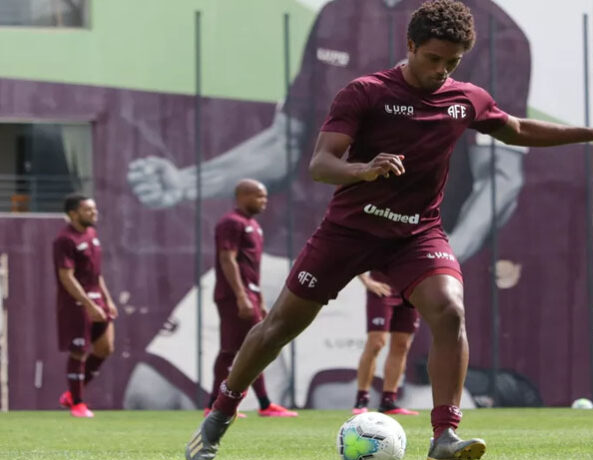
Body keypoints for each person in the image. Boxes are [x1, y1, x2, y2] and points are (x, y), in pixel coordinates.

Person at [185, 0, 593, 460]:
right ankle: (219, 415)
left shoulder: (465, 98)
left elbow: (516, 128)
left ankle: (445, 434)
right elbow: (320, 164)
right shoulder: (364, 92)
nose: (441, 70)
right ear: (410, 45)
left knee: (449, 311)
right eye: (433, 58)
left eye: (452, 62)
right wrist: (365, 169)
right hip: (350, 230)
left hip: (417, 233)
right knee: (280, 326)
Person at [126, 0, 530, 264]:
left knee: (344, 386)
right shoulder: (338, 13)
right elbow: (286, 143)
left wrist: (441, 260)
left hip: (393, 253)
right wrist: (183, 182)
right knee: (152, 389)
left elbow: (501, 182)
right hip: (305, 243)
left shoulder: (496, 35)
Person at [207, 179, 298, 418]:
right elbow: (228, 259)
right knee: (232, 350)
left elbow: (251, 269)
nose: (264, 201)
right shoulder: (231, 223)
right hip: (234, 297)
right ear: (243, 196)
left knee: (254, 348)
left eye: (266, 197)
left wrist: (259, 300)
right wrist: (240, 296)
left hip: (250, 296)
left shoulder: (253, 225)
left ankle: (264, 404)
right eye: (259, 196)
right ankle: (214, 405)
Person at [54, 195, 118, 418]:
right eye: (88, 210)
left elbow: (96, 273)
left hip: (97, 298)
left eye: (94, 209)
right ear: (73, 213)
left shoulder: (92, 234)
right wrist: (88, 304)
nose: (94, 213)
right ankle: (77, 404)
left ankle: (72, 394)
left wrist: (107, 299)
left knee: (105, 347)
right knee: (79, 352)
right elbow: (66, 277)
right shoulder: (64, 239)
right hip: (76, 303)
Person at [353, 271, 421, 416]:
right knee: (376, 343)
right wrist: (366, 280)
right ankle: (361, 400)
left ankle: (388, 401)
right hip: (381, 288)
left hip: (409, 290)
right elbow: (352, 251)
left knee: (402, 345)